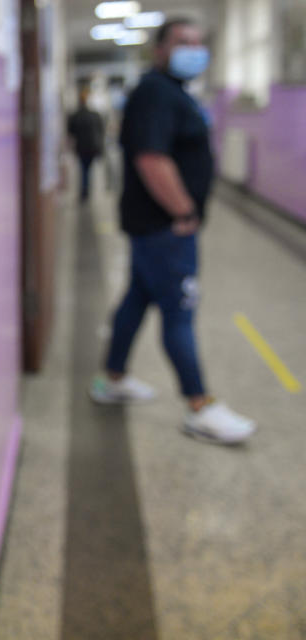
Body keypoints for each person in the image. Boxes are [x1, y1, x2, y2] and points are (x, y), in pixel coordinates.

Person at [89, 18, 256, 444]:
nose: (193, 50)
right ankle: (200, 406)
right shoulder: (156, 94)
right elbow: (151, 159)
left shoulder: (171, 93)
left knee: (136, 300)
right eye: (182, 42)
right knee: (179, 312)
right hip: (164, 227)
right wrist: (183, 211)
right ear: (159, 49)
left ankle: (112, 379)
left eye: (199, 43)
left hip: (152, 227)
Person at [67, 86, 105, 202]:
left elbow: (71, 131)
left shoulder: (76, 115)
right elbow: (100, 131)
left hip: (82, 147)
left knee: (84, 169)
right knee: (87, 169)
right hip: (92, 146)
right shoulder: (95, 115)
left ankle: (85, 190)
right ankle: (86, 189)